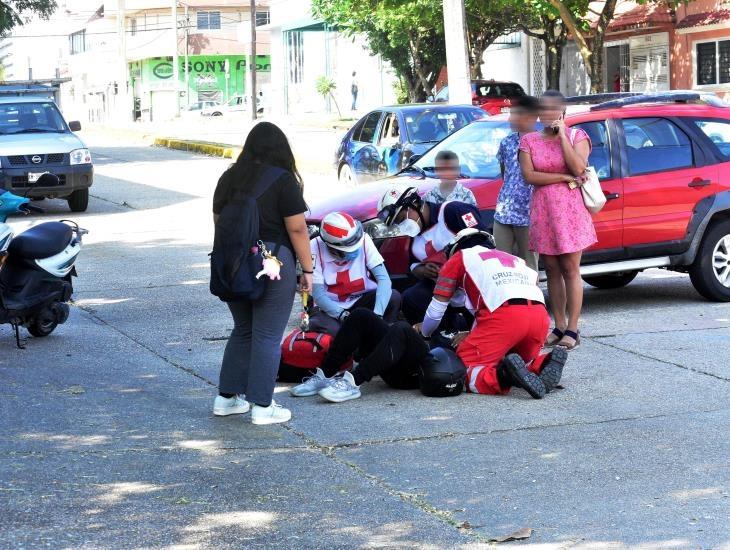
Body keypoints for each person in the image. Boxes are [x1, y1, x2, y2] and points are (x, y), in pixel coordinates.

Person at [212, 122, 314, 425]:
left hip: (232, 261)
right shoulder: (283, 180)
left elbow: (220, 222)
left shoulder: (229, 177)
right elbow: (297, 228)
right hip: (272, 262)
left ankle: (226, 399)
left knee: (243, 329)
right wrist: (307, 269)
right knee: (268, 335)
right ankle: (262, 406)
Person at [416, 228, 568, 398]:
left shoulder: (460, 257)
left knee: (459, 370)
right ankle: (543, 363)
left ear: (455, 248)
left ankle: (504, 376)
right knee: (521, 362)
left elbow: (436, 310)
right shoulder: (516, 260)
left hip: (505, 316)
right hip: (539, 316)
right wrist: (473, 334)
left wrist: (425, 334)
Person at [519, 90, 595, 350]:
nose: (548, 114)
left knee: (570, 269)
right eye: (544, 109)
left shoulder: (577, 136)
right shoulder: (528, 140)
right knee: (550, 269)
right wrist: (562, 179)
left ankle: (573, 329)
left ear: (562, 112)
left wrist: (562, 135)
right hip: (543, 210)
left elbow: (578, 169)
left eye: (554, 109)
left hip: (570, 212)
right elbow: (529, 176)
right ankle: (559, 324)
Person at [377, 185, 486, 325]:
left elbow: (485, 241)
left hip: (475, 284)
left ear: (414, 204)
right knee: (411, 298)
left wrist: (451, 266)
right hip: (444, 291)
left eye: (402, 218)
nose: (401, 226)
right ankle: (439, 335)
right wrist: (423, 270)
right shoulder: (414, 238)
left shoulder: (453, 211)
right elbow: (413, 265)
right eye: (397, 224)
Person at [308, 211, 400, 335]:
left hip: (360, 299)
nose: (356, 248)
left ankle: (383, 338)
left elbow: (384, 280)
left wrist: (377, 316)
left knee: (393, 297)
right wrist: (343, 316)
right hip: (328, 307)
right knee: (335, 331)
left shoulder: (364, 239)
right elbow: (318, 295)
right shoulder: (314, 247)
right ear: (332, 247)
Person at [494, 95, 540, 271]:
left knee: (528, 266)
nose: (510, 119)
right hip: (504, 212)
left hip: (530, 214)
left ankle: (529, 299)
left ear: (531, 117)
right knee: (501, 264)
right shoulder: (507, 142)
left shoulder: (541, 143)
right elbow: (505, 173)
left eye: (515, 114)